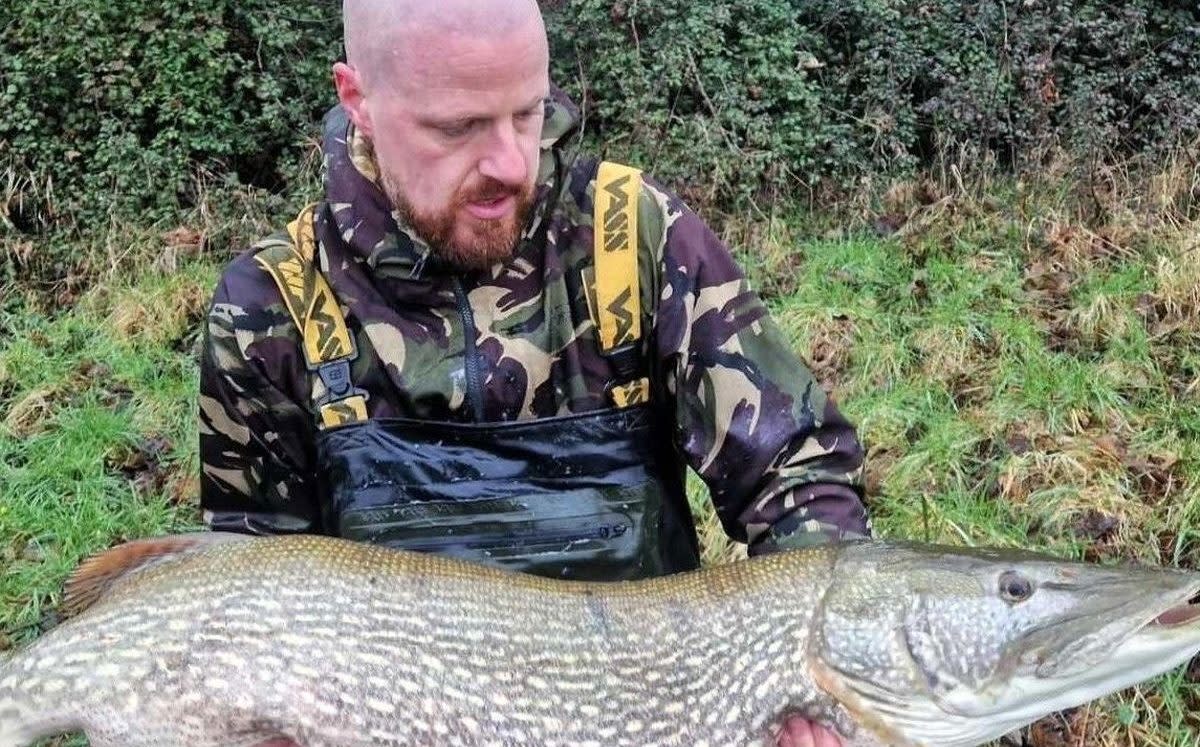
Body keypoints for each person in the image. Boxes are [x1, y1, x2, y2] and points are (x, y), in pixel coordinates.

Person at [198, 1, 868, 744]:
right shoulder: (271, 306)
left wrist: (806, 673)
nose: (511, 163)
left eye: (528, 112)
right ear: (359, 101)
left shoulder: (632, 237)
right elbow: (245, 581)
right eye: (457, 128)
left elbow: (796, 469)